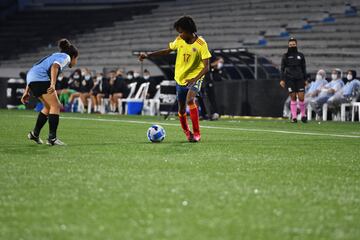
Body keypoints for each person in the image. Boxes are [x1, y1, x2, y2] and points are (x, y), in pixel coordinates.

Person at [139, 16, 211, 142]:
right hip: (180, 79)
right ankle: (188, 133)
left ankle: (197, 133)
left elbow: (206, 67)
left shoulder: (201, 44)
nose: (179, 34)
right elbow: (167, 51)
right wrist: (148, 55)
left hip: (195, 77)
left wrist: (195, 78)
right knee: (181, 109)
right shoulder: (179, 40)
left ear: (188, 30)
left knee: (190, 100)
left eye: (181, 31)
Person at [21, 38, 79, 145]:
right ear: (74, 56)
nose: (76, 62)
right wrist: (52, 84)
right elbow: (55, 66)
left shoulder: (55, 54)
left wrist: (26, 91)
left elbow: (36, 68)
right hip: (40, 78)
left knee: (48, 107)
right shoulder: (66, 57)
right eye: (77, 59)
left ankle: (35, 134)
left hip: (31, 78)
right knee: (56, 106)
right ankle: (52, 139)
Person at [280, 37, 307, 123]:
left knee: (301, 97)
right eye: (290, 45)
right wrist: (282, 80)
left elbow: (304, 68)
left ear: (296, 45)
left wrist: (305, 79)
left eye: (293, 44)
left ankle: (303, 115)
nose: (292, 46)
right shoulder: (285, 56)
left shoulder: (301, 55)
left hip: (300, 78)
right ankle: (294, 117)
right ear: (288, 45)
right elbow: (282, 69)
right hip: (289, 79)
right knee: (293, 97)